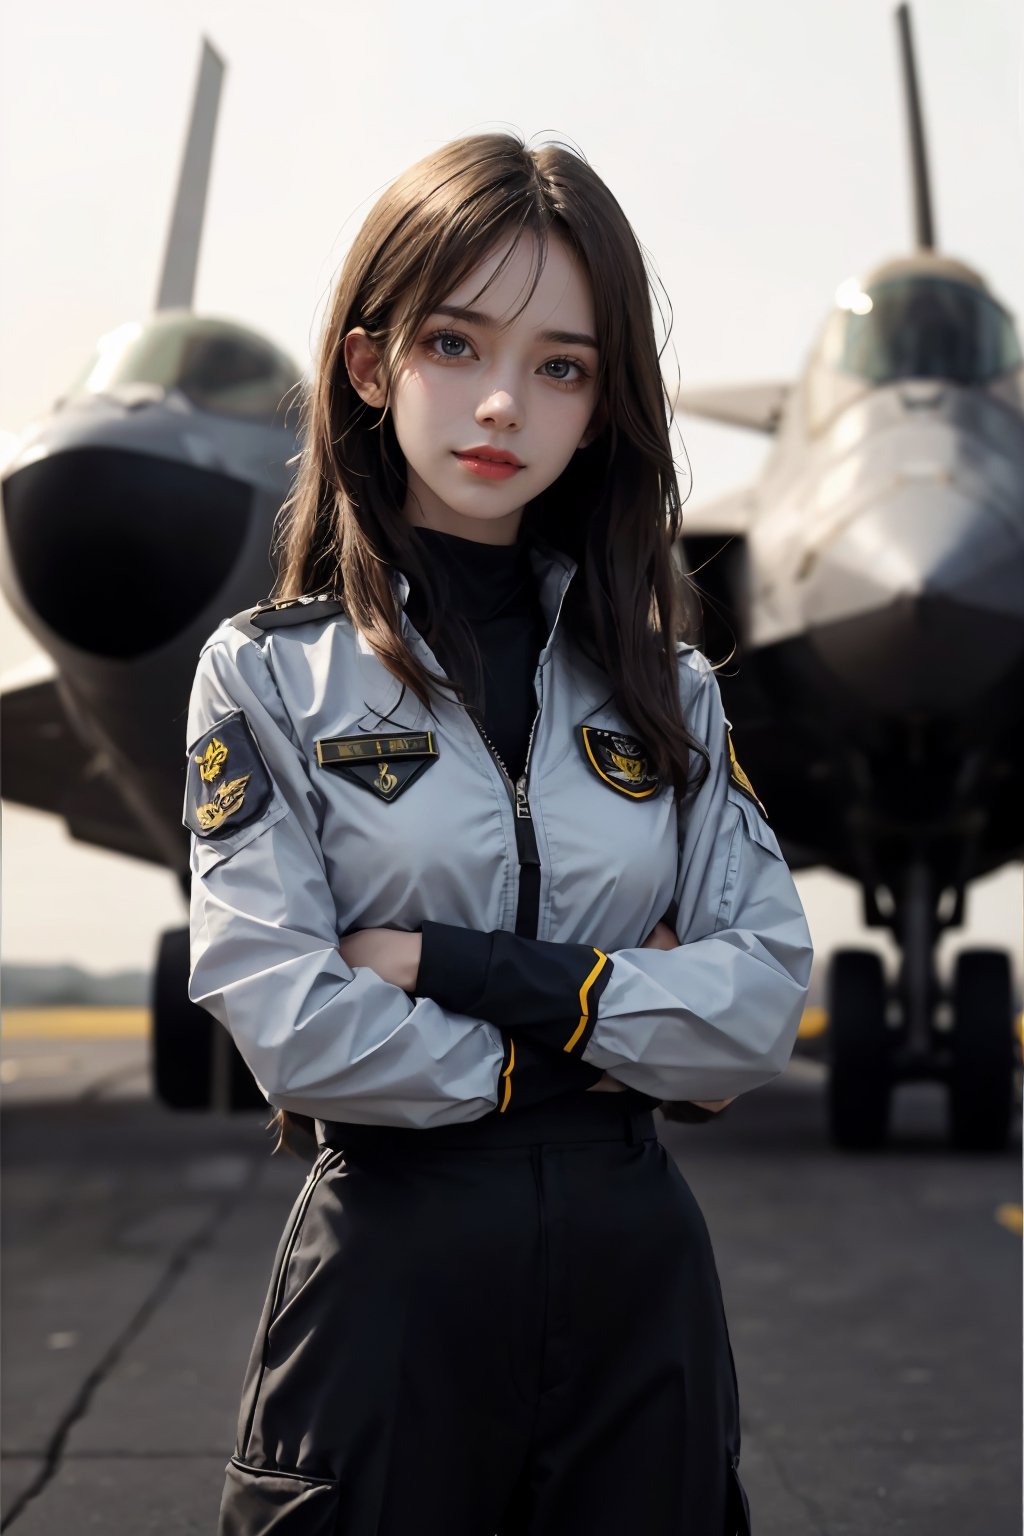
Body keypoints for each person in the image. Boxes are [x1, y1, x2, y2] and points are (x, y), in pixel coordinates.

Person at [184, 130, 813, 1536]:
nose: (502, 405)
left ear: (601, 407)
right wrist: (617, 1033)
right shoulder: (269, 675)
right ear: (368, 364)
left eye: (563, 366)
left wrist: (447, 964)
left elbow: (759, 1003)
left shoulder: (673, 692)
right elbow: (292, 1020)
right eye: (456, 345)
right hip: (391, 1290)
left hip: (639, 1295)